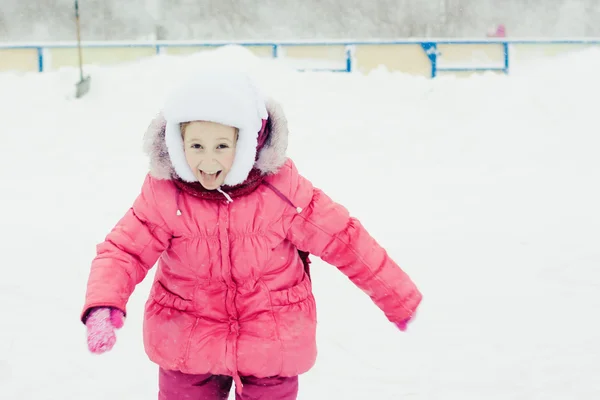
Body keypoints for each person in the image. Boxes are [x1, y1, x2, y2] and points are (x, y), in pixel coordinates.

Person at [81, 68, 422, 400]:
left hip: (270, 339)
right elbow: (124, 250)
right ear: (176, 142)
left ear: (246, 144)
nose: (208, 160)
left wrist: (397, 296)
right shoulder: (165, 194)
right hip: (186, 339)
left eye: (222, 146)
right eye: (196, 146)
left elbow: (345, 240)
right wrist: (103, 303)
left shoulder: (281, 190)